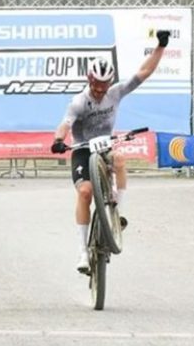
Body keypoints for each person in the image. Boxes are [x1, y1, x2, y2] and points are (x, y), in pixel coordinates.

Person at [50, 30, 170, 274]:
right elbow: (65, 122)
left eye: (104, 85)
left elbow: (144, 73)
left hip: (104, 146)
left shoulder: (115, 93)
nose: (99, 89)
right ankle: (83, 251)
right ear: (89, 79)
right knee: (85, 192)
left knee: (119, 158)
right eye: (96, 84)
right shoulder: (79, 101)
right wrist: (58, 139)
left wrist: (161, 46)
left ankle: (117, 212)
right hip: (83, 149)